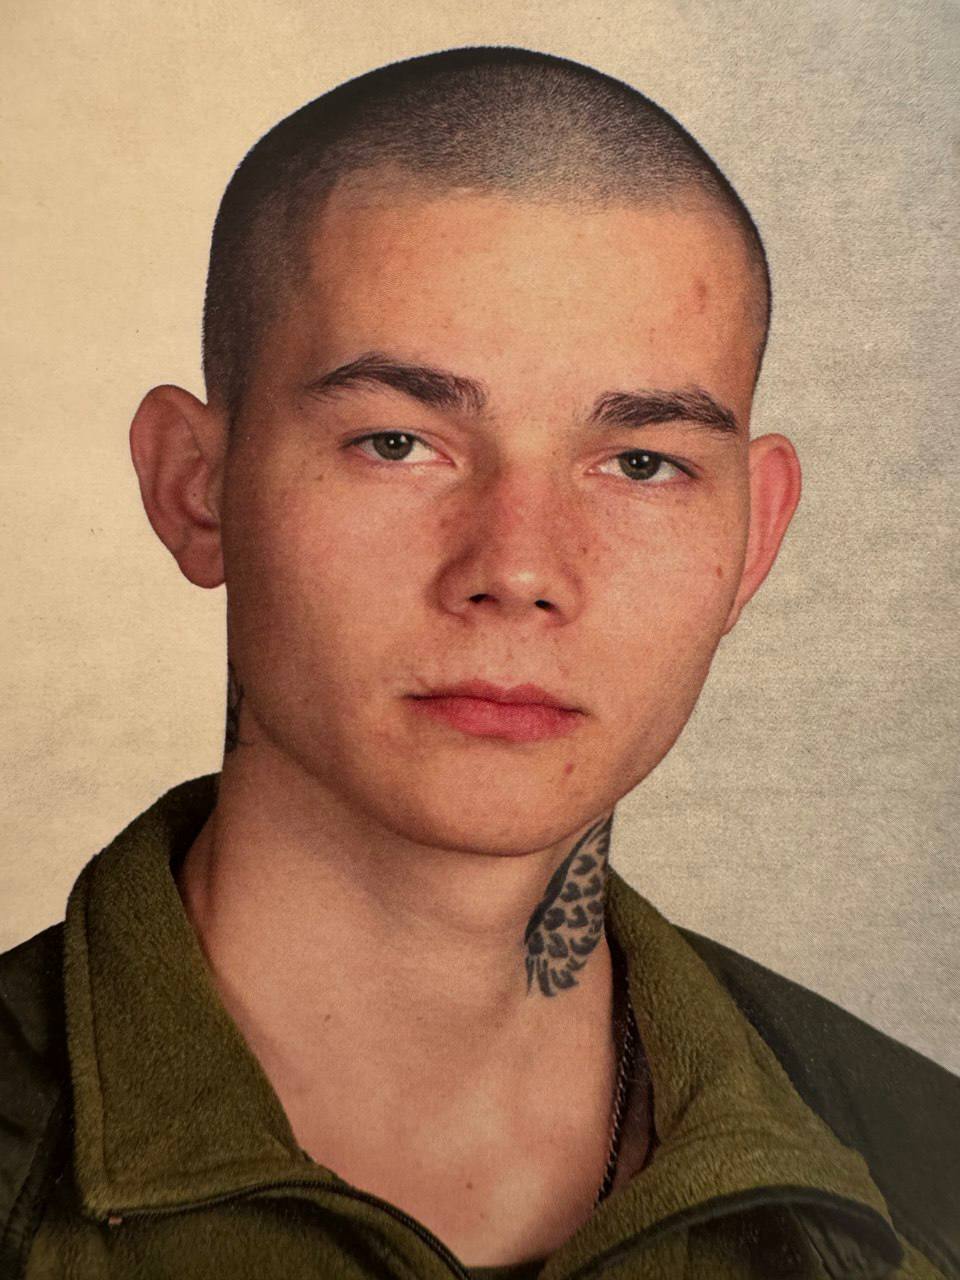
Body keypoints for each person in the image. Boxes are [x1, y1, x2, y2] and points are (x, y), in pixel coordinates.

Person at [1, 45, 957, 1280]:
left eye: (642, 463)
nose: (518, 565)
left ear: (754, 536)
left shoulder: (928, 1187)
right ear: (196, 486)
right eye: (399, 442)